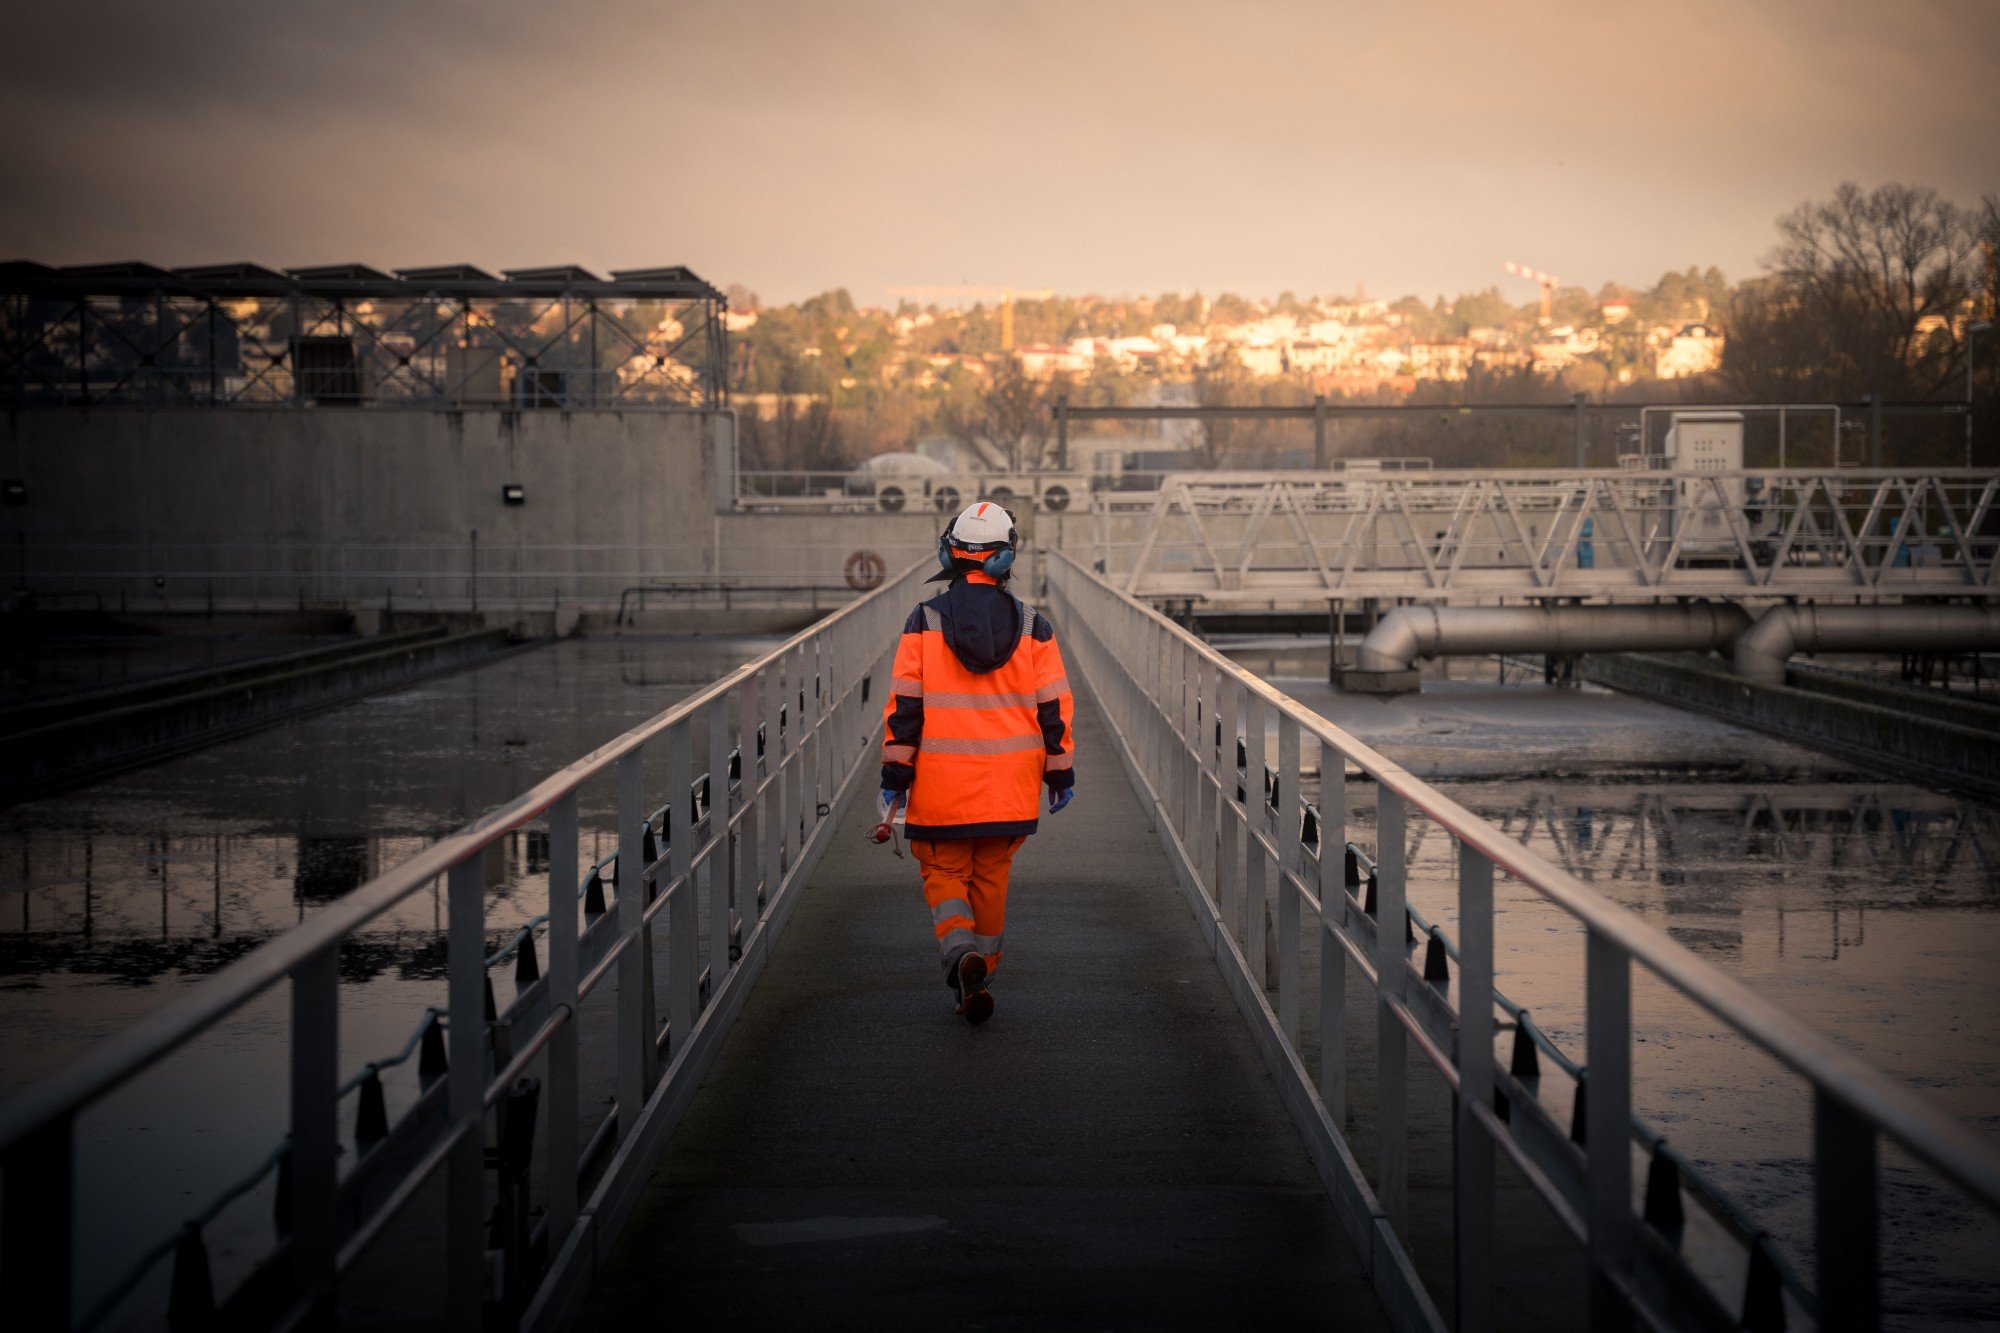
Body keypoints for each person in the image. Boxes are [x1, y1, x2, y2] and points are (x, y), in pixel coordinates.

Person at [879, 500, 1076, 1025]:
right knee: (991, 877)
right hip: (1009, 789)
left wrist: (894, 778)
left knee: (944, 871)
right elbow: (1054, 708)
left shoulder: (923, 621)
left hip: (941, 788)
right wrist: (1059, 772)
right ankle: (980, 977)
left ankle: (959, 951)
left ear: (949, 553)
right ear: (1004, 559)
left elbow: (905, 707)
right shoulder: (1036, 627)